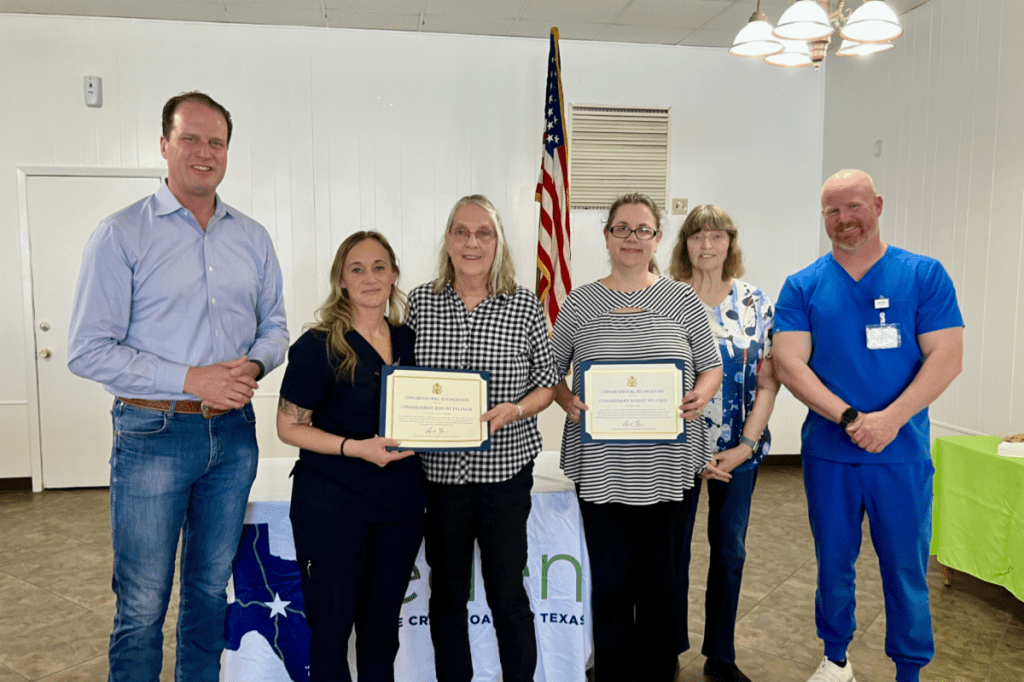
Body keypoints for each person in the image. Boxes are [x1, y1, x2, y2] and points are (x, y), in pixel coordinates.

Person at [67, 91, 289, 682]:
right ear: (164, 145)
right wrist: (191, 378)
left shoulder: (253, 238)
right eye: (190, 138)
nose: (204, 152)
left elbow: (275, 327)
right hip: (153, 433)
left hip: (233, 437)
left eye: (216, 142)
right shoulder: (121, 234)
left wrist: (255, 366)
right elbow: (88, 349)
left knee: (210, 592)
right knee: (142, 602)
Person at [773, 170, 964, 682]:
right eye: (832, 211)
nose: (844, 219)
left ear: (877, 205)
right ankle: (835, 659)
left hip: (900, 455)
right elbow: (789, 363)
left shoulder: (922, 275)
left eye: (854, 206)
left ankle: (909, 671)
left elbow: (947, 357)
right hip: (830, 454)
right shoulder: (803, 286)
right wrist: (852, 419)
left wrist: (890, 421)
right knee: (833, 565)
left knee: (905, 569)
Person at [551, 193, 723, 681]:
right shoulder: (580, 302)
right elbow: (551, 371)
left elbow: (711, 367)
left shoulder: (682, 300)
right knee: (610, 582)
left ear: (657, 239)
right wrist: (566, 399)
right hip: (601, 468)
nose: (632, 238)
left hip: (667, 467)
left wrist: (700, 395)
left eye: (642, 229)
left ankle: (657, 669)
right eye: (621, 228)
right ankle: (612, 671)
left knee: (661, 582)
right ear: (607, 236)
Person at [406, 194, 558, 682]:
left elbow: (547, 383)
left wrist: (516, 409)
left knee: (507, 593)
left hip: (505, 475)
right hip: (440, 478)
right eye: (462, 232)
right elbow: (403, 382)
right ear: (448, 240)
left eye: (483, 233)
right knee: (447, 594)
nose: (472, 243)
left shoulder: (524, 304)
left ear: (498, 242)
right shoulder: (420, 302)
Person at [276, 231, 425, 682]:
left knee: (381, 633)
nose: (369, 277)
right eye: (356, 269)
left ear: (394, 274)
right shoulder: (318, 345)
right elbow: (288, 427)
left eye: (379, 267)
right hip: (332, 507)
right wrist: (355, 448)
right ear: (341, 280)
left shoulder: (408, 339)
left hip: (398, 508)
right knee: (331, 633)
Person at [671, 205, 779, 682]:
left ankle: (721, 656)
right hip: (678, 453)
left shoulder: (756, 302)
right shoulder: (667, 298)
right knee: (672, 554)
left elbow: (769, 382)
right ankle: (667, 647)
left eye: (717, 236)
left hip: (739, 451)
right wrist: (695, 456)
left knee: (730, 553)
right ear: (685, 244)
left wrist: (745, 447)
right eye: (698, 236)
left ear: (730, 243)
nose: (707, 245)